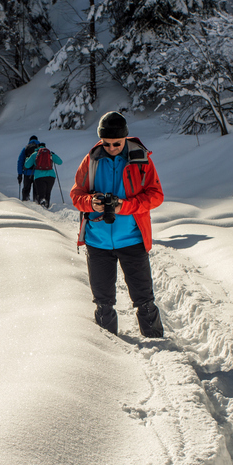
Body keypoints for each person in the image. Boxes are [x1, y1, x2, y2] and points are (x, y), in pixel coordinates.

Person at [69, 111, 165, 338]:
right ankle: (108, 351)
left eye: (117, 144)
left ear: (125, 138)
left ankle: (156, 341)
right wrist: (91, 203)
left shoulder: (141, 159)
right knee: (103, 302)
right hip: (97, 240)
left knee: (144, 298)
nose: (111, 148)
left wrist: (125, 206)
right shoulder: (91, 160)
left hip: (132, 239)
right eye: (106, 143)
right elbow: (76, 195)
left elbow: (156, 196)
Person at [23, 141, 62, 209]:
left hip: (39, 177)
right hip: (51, 176)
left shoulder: (35, 154)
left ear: (38, 147)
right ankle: (46, 207)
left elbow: (27, 165)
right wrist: (53, 155)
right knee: (48, 193)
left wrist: (27, 159)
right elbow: (60, 162)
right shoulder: (50, 154)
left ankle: (42, 207)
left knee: (41, 193)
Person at [17, 135, 39, 201]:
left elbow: (20, 161)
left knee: (26, 189)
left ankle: (25, 202)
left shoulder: (26, 148)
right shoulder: (40, 149)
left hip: (27, 173)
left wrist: (20, 174)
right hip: (37, 173)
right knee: (37, 190)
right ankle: (36, 203)